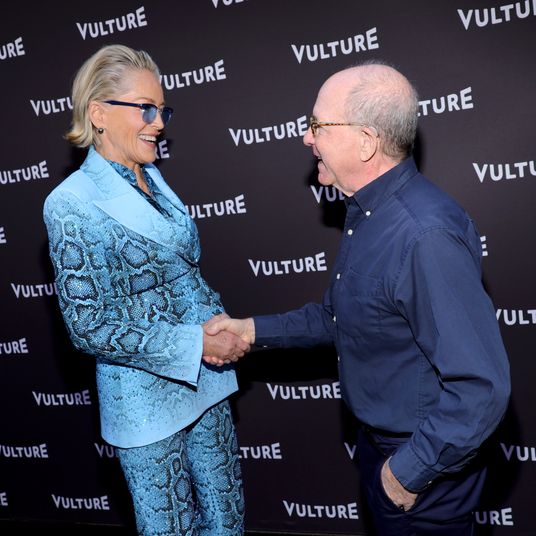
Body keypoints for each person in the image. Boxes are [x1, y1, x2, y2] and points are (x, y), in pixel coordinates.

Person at [205, 62, 511, 535]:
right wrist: (251, 330)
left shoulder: (424, 236)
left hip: (424, 473)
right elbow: (339, 318)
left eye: (317, 125)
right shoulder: (369, 214)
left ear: (366, 141)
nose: (306, 138)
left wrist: (406, 473)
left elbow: (481, 388)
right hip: (384, 448)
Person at [43, 44, 246, 535]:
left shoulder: (152, 174)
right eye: (145, 109)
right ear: (98, 114)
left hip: (207, 379)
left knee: (227, 521)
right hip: (144, 398)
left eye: (162, 110)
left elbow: (180, 272)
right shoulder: (70, 202)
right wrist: (197, 343)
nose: (159, 123)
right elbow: (88, 325)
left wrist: (219, 331)